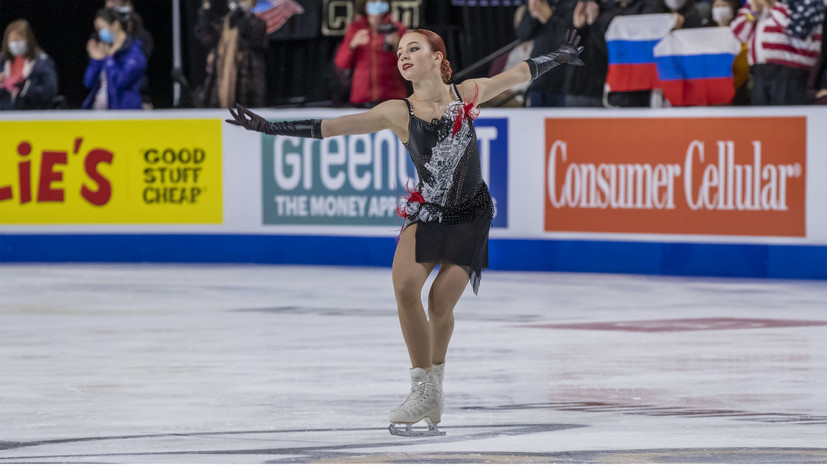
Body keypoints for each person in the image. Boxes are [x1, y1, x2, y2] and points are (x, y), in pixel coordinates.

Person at [226, 28, 583, 436]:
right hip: (427, 211)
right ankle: (424, 387)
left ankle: (436, 382)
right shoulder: (398, 111)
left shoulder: (466, 93)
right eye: (399, 52)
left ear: (436, 57)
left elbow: (518, 73)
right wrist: (269, 128)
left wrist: (558, 57)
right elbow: (333, 126)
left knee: (439, 301)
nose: (404, 55)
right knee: (404, 288)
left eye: (414, 48)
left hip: (471, 215)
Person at [731, 0, 822, 105]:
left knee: (785, 117)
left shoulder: (805, 2)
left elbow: (797, 28)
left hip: (790, 71)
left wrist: (772, 6)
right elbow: (739, 34)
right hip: (759, 71)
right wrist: (753, 12)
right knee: (763, 118)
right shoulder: (755, 3)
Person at [194, 0, 267, 108]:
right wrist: (206, 9)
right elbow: (205, 36)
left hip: (246, 84)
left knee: (247, 117)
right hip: (220, 82)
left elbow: (249, 32)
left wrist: (236, 10)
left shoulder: (259, 23)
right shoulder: (223, 25)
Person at [334, 0, 408, 106]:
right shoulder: (355, 28)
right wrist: (352, 45)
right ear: (365, 5)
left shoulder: (397, 29)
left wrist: (398, 47)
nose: (377, 4)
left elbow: (409, 64)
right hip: (362, 98)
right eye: (373, 1)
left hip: (393, 97)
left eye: (381, 1)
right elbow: (341, 63)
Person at [82, 8, 147, 109]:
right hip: (98, 114)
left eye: (101, 28)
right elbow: (88, 83)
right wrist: (96, 61)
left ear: (115, 25)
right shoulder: (103, 49)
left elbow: (120, 81)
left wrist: (109, 59)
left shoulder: (134, 53)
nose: (99, 33)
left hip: (123, 114)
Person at [518, 0, 578, 107]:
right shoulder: (539, 3)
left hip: (564, 83)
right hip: (539, 79)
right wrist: (532, 14)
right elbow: (523, 35)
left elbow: (571, 37)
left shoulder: (574, 4)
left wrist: (549, 19)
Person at [0, 19, 58, 110]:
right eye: (11, 40)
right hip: (4, 116)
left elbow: (49, 92)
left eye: (18, 40)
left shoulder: (42, 62)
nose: (14, 44)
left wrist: (24, 87)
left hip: (32, 116)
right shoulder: (2, 61)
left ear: (28, 39)